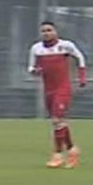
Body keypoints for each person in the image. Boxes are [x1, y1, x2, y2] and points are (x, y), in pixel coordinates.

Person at [28, 21, 87, 168]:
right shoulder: (36, 49)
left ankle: (57, 155)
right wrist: (35, 71)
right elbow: (31, 67)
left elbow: (80, 57)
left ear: (55, 31)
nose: (46, 33)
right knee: (59, 122)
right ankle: (72, 150)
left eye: (49, 30)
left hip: (63, 88)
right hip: (48, 90)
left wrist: (82, 77)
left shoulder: (65, 46)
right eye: (43, 31)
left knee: (57, 120)